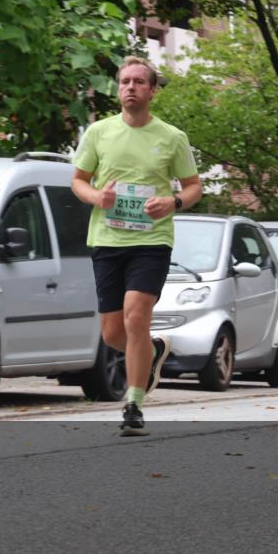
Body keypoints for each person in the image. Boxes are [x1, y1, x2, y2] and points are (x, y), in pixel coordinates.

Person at [71, 56, 202, 436]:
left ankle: (134, 405)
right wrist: (97, 198)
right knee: (114, 334)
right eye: (125, 81)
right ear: (118, 89)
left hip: (152, 239)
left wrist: (173, 202)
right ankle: (153, 351)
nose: (130, 87)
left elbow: (194, 186)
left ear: (152, 90)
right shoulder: (98, 132)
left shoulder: (172, 137)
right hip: (107, 239)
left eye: (139, 82)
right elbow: (78, 181)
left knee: (135, 314)